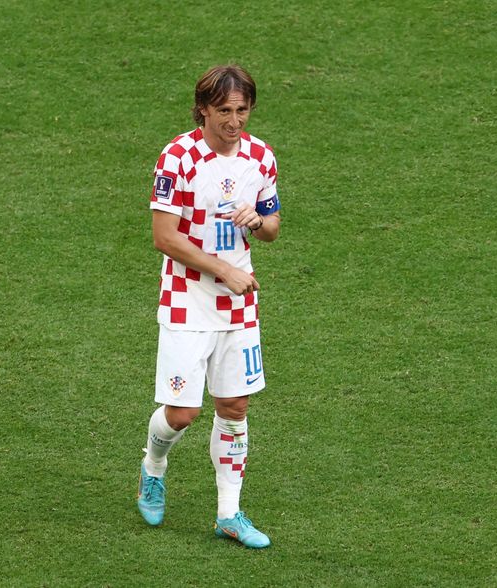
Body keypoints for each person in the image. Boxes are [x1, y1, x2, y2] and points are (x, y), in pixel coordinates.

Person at [137, 64, 281, 549]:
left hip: (238, 304)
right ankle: (153, 466)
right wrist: (224, 270)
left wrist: (257, 223)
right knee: (181, 414)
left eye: (242, 111)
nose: (234, 122)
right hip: (187, 301)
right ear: (203, 108)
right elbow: (164, 237)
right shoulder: (177, 158)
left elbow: (273, 222)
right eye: (224, 111)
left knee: (235, 406)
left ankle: (229, 514)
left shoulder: (260, 157)